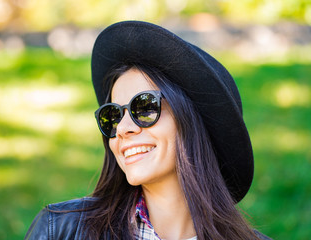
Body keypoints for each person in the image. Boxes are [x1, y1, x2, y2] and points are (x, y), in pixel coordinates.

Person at [25, 21, 271, 240]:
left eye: (143, 107)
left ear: (193, 119)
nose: (122, 129)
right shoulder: (59, 230)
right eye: (113, 115)